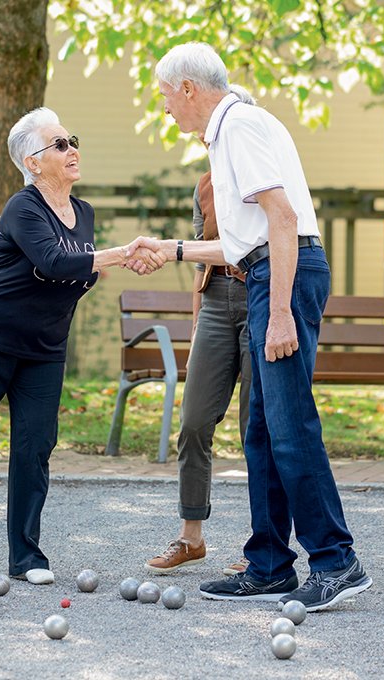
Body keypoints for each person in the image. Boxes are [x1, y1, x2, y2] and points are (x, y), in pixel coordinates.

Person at [134, 42, 373, 612]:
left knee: (289, 425)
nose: (166, 109)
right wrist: (170, 249)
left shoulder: (237, 126)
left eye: (167, 97)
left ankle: (337, 560)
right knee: (262, 431)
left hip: (282, 276)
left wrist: (282, 309)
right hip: (268, 267)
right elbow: (243, 239)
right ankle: (268, 565)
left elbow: (283, 219)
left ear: (189, 88)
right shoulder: (232, 128)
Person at [0, 107, 161, 584]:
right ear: (33, 160)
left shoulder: (83, 212)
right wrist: (118, 256)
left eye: (72, 140)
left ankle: (26, 558)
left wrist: (119, 263)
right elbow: (55, 260)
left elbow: (77, 272)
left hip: (44, 345)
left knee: (35, 445)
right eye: (59, 144)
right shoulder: (22, 207)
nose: (72, 150)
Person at [144, 84, 256, 577]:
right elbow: (201, 255)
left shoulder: (263, 172)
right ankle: (191, 536)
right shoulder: (204, 186)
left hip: (257, 296)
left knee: (260, 427)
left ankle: (265, 544)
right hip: (215, 301)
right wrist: (195, 324)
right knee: (193, 421)